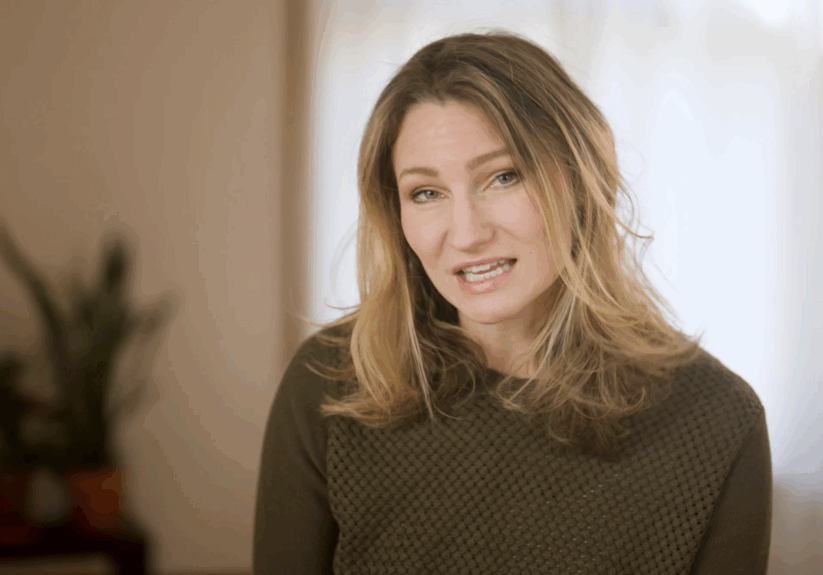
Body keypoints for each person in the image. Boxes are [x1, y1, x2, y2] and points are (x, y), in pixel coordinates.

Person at [253, 31, 771, 574]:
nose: (467, 234)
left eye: (504, 177)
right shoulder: (329, 385)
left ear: (578, 179)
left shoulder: (716, 420)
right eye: (426, 193)